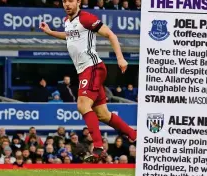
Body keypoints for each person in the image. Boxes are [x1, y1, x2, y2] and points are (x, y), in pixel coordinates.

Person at [39, 0, 136, 163]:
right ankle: (134, 135)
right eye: (64, 1)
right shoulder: (67, 22)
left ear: (78, 2)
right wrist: (50, 32)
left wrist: (120, 58)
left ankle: (98, 148)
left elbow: (111, 34)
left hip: (92, 68)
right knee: (103, 114)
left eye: (70, 1)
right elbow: (69, 36)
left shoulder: (86, 18)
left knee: (83, 105)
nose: (67, 4)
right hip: (85, 71)